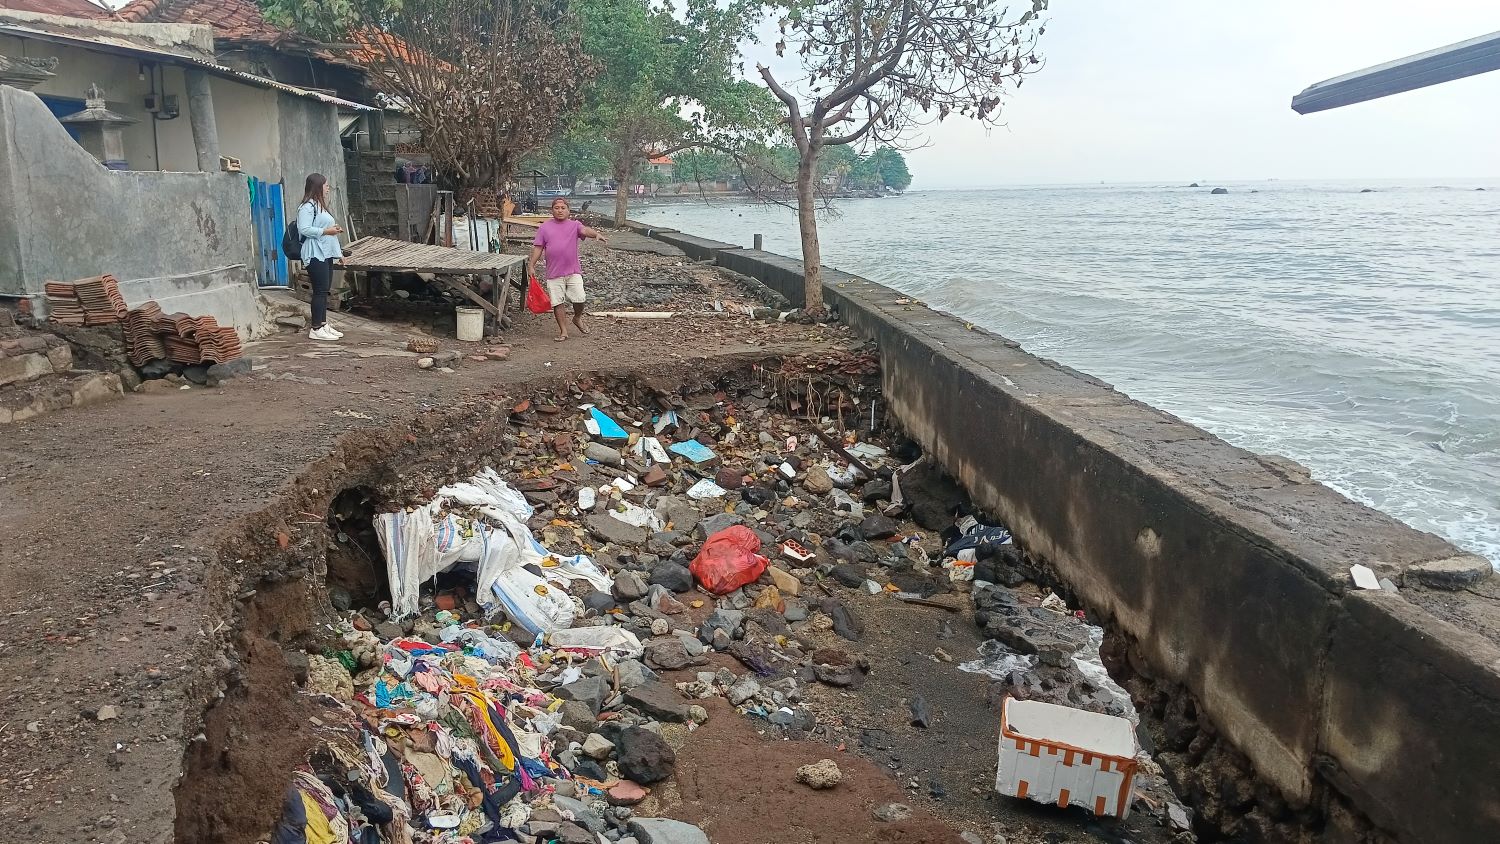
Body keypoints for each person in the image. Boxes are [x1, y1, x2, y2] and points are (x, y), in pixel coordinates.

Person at [529, 197, 607, 341]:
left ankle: (577, 318)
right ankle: (563, 331)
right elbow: (538, 247)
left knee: (580, 298)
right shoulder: (544, 228)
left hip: (573, 271)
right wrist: (531, 265)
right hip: (553, 273)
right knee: (557, 302)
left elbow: (585, 230)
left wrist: (596, 234)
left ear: (568, 210)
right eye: (556, 208)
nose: (560, 210)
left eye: (563, 208)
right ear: (552, 210)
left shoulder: (574, 225)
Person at [296, 173, 344, 341]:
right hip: (314, 253)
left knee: (325, 291)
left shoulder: (320, 205)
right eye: (325, 185)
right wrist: (326, 231)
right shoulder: (307, 207)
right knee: (320, 290)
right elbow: (304, 229)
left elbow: (328, 231)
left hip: (326, 253)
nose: (328, 188)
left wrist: (339, 253)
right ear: (317, 187)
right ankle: (315, 328)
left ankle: (323, 324)